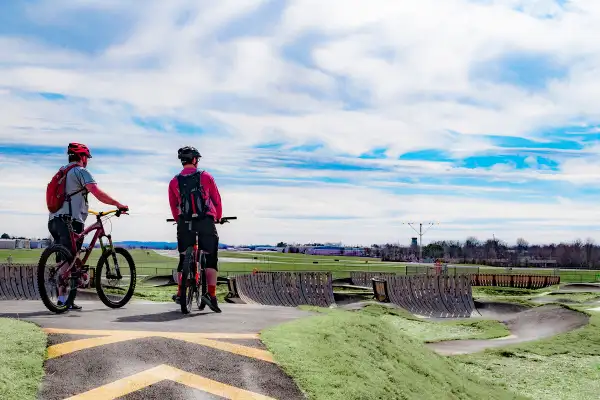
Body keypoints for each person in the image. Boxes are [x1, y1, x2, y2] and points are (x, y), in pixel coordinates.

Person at [48, 142, 128, 310]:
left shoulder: (62, 172)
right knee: (71, 260)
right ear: (82, 157)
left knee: (65, 261)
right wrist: (118, 204)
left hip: (54, 220)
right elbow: (97, 192)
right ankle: (64, 300)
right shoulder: (80, 171)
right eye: (87, 158)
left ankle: (64, 300)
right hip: (70, 221)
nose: (87, 161)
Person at [168, 146, 223, 313]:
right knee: (211, 257)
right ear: (195, 160)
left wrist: (179, 220)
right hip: (205, 221)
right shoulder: (206, 177)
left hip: (184, 222)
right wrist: (218, 216)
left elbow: (173, 205)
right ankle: (211, 295)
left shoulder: (174, 181)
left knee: (184, 256)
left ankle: (179, 292)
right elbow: (216, 199)